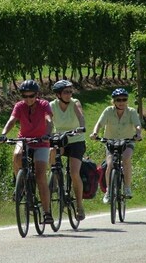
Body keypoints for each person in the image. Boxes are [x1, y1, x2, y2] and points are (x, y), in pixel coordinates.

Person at [0, 80, 54, 224]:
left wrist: (47, 134)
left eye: (31, 96)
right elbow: (12, 120)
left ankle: (47, 212)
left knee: (40, 175)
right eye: (25, 96)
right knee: (17, 155)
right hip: (24, 140)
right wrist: (3, 134)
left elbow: (48, 119)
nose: (28, 99)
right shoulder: (19, 106)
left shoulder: (44, 105)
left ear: (37, 95)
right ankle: (20, 182)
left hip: (41, 142)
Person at [90, 88, 142, 204]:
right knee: (110, 164)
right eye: (118, 100)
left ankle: (127, 188)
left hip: (127, 141)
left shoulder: (132, 111)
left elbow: (137, 125)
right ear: (114, 101)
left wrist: (138, 134)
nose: (121, 102)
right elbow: (99, 123)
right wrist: (95, 133)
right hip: (111, 141)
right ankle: (108, 191)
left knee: (126, 158)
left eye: (124, 99)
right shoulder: (108, 111)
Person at [49, 80, 86, 221]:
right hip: (60, 138)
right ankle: (55, 178)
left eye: (70, 91)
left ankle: (79, 206)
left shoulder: (74, 102)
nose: (69, 94)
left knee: (74, 172)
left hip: (76, 139)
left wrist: (81, 127)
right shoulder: (51, 105)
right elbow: (48, 121)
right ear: (58, 94)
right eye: (66, 92)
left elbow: (80, 115)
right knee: (52, 150)